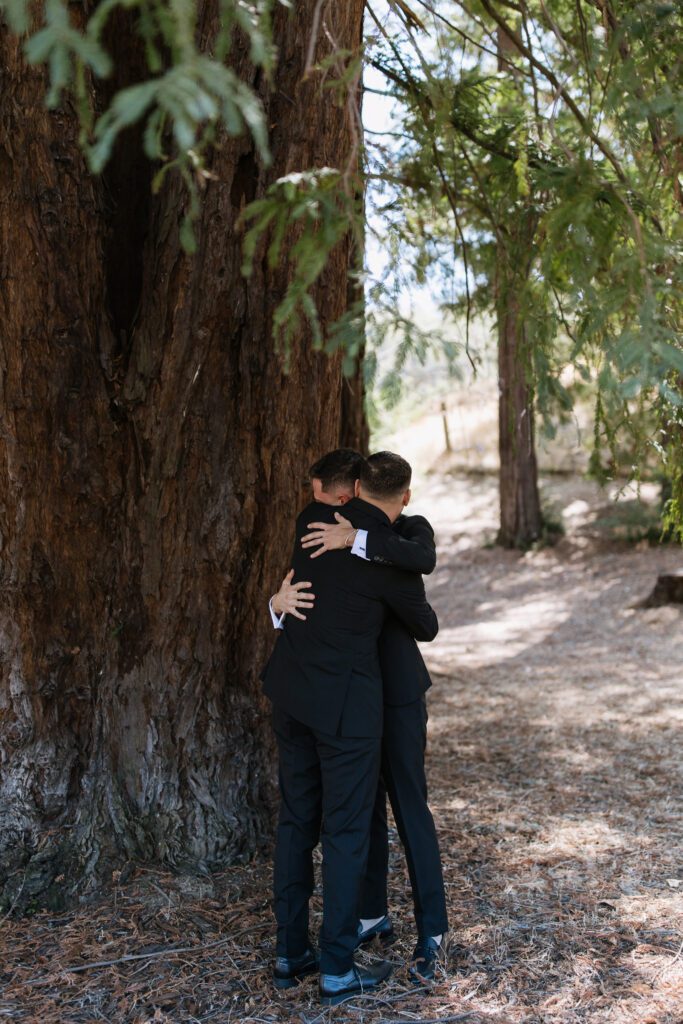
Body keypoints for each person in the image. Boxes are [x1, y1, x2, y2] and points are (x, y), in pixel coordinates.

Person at [262, 451, 439, 1005]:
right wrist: (276, 602)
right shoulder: (390, 566)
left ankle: (291, 952)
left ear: (353, 489)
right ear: (400, 493)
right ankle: (337, 966)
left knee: (295, 822)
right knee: (344, 832)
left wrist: (278, 604)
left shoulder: (310, 522)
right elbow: (426, 623)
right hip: (345, 710)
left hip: (292, 695)